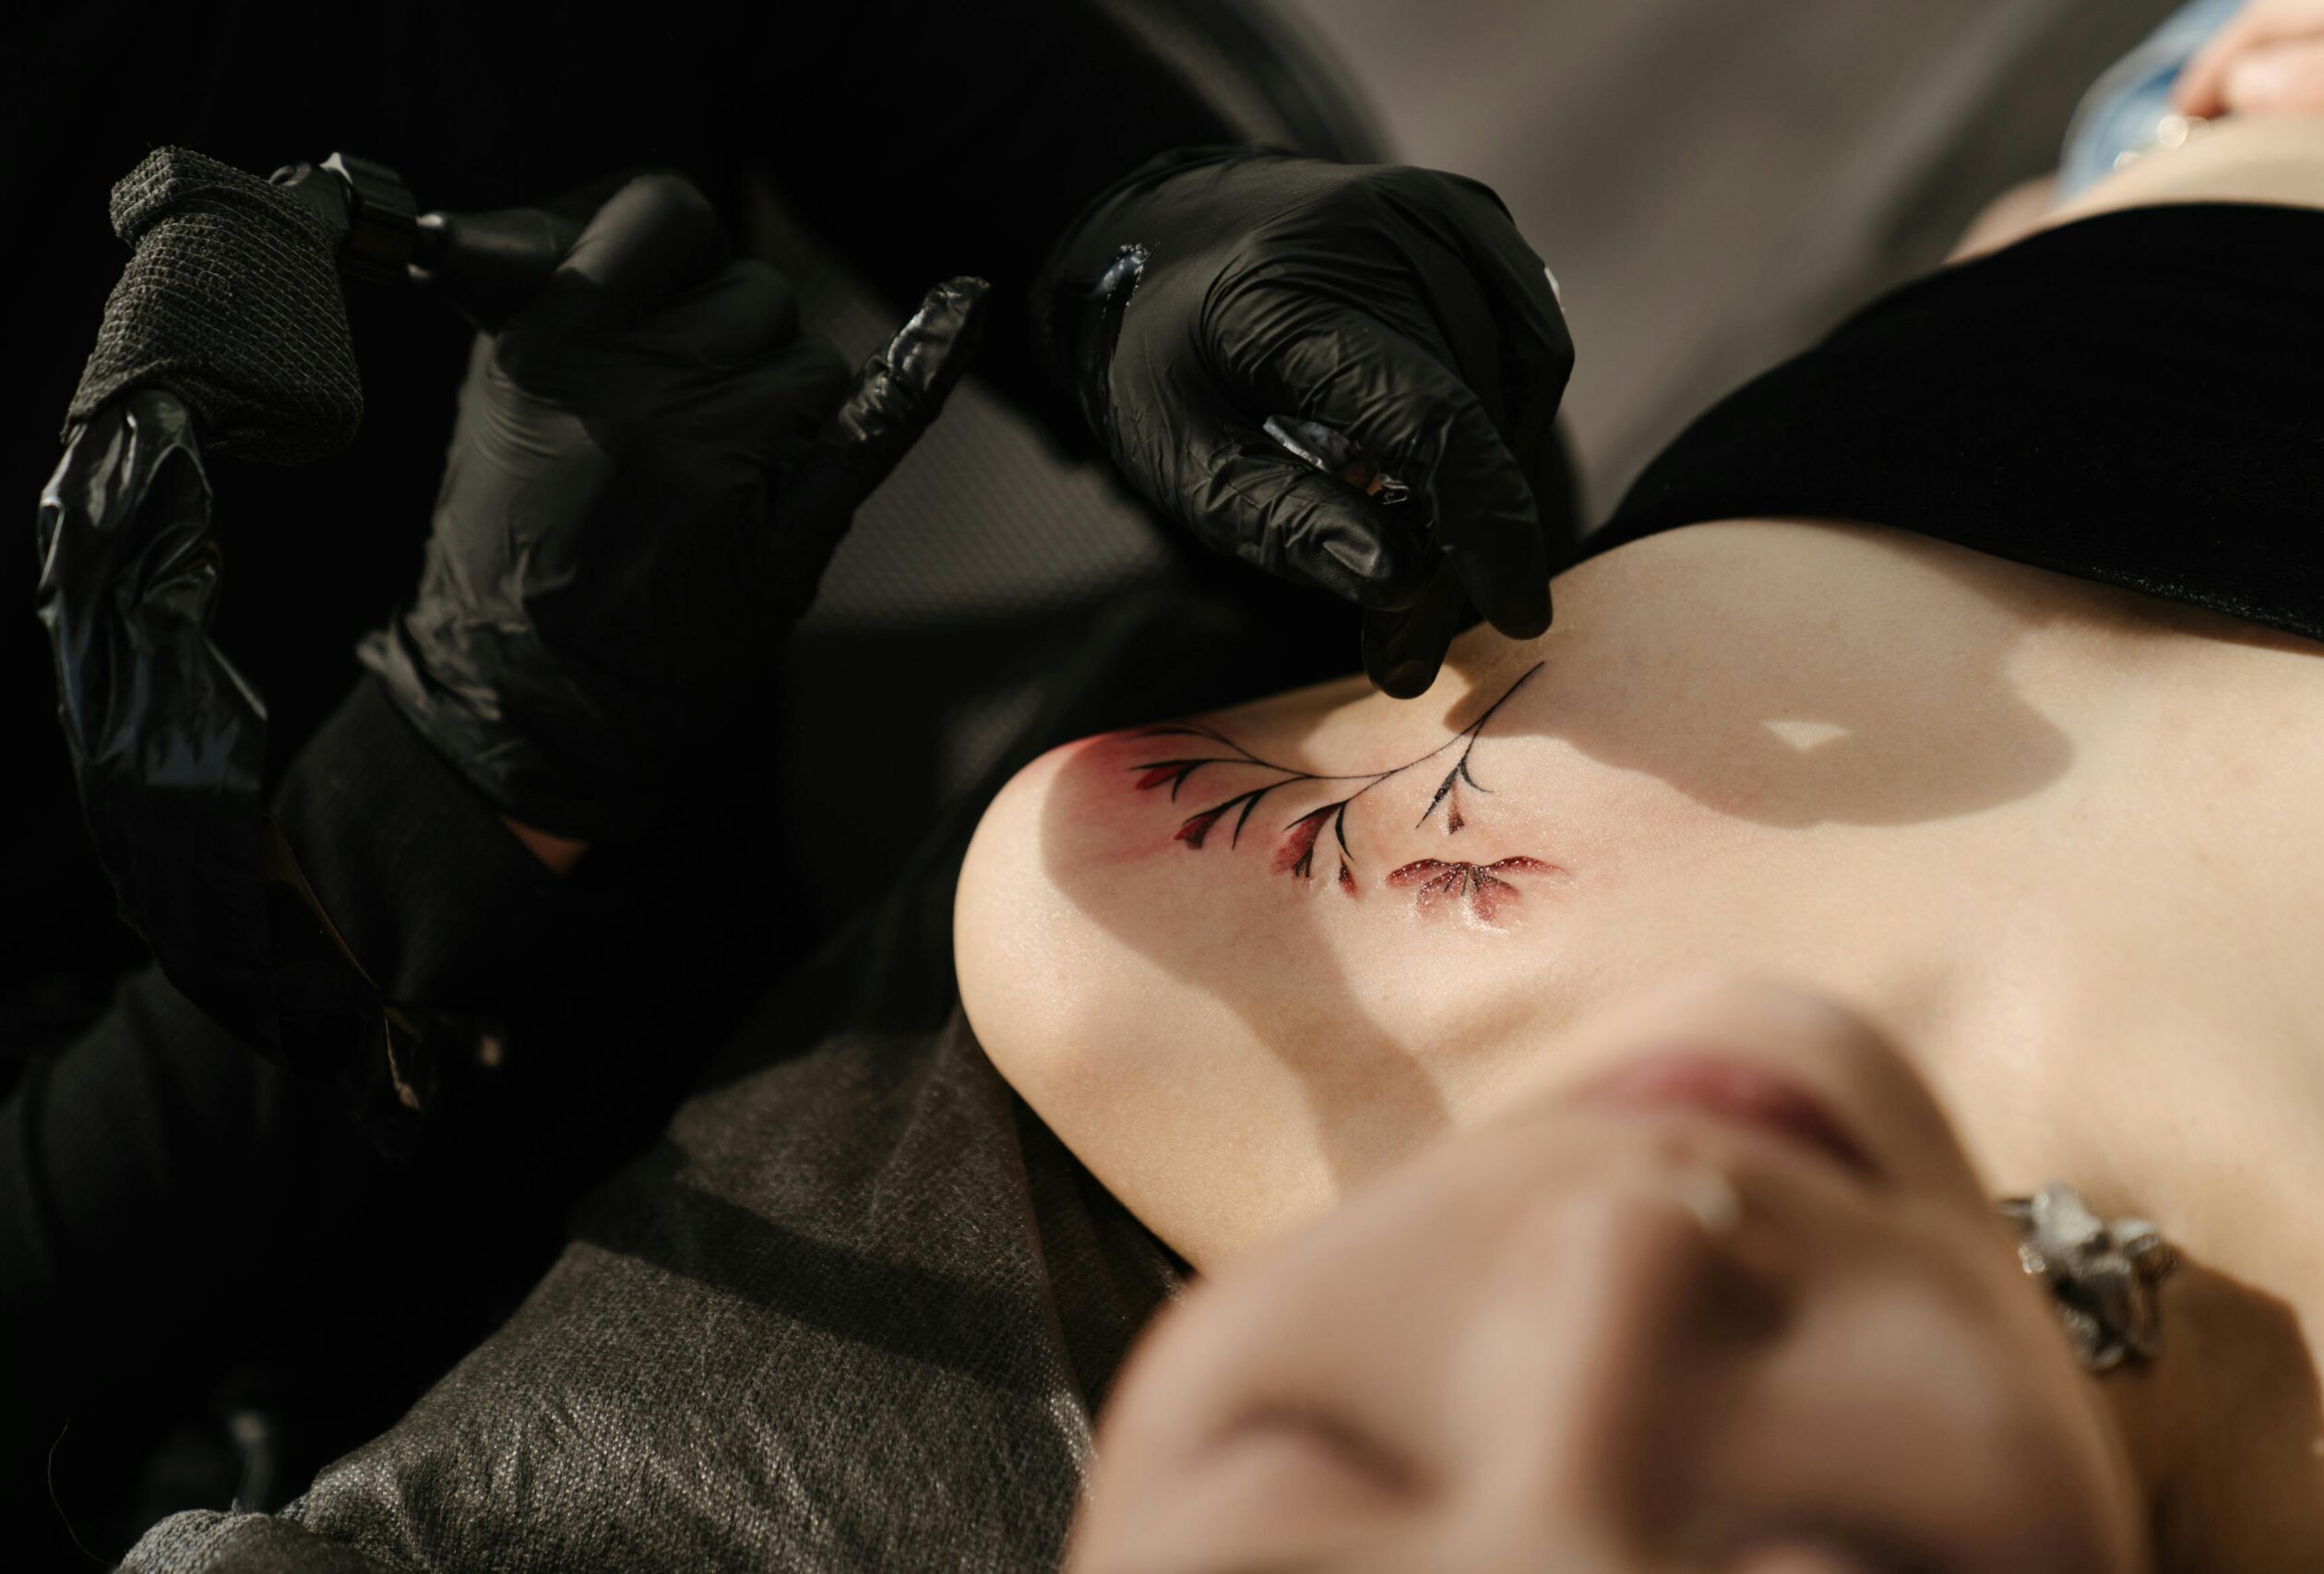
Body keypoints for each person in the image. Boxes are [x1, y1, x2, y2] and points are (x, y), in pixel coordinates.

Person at [2, 1, 1575, 1560]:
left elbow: (1012, 144)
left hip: (834, 964)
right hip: (330, 1345)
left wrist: (1185, 275)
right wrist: (452, 788)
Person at [961, 2, 2324, 1567]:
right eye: (1786, 1549)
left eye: (1338, 1447)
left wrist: (1118, 264)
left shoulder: (1161, 943)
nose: (1634, 1242)